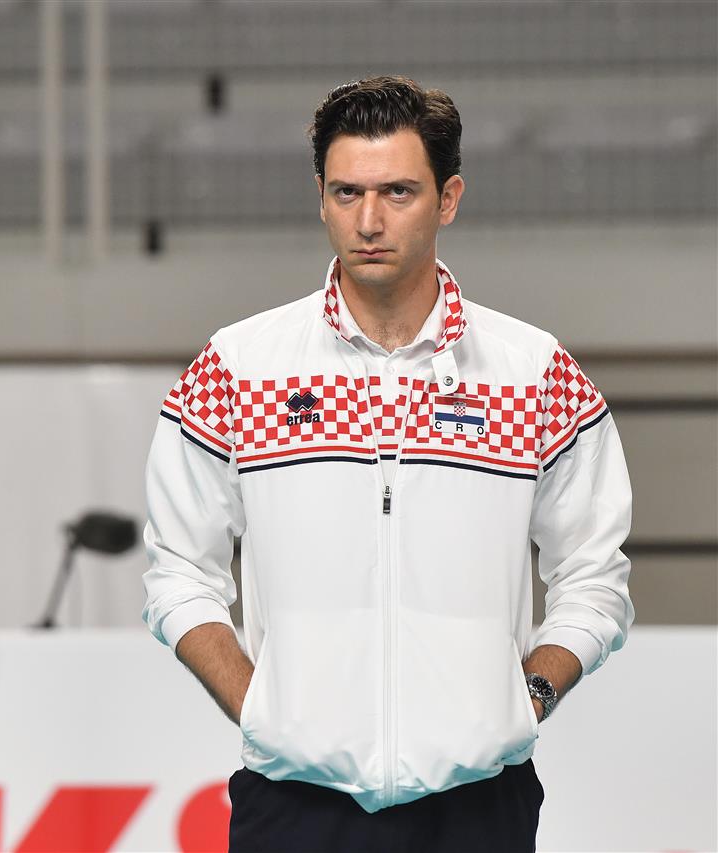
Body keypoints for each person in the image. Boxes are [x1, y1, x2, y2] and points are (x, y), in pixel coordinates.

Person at [140, 76, 634, 852]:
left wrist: (526, 696)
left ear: (449, 199)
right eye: (347, 192)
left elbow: (595, 573)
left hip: (480, 808)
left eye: (398, 191)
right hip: (292, 805)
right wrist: (260, 707)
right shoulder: (237, 367)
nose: (368, 220)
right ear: (321, 198)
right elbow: (177, 570)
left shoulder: (533, 371)